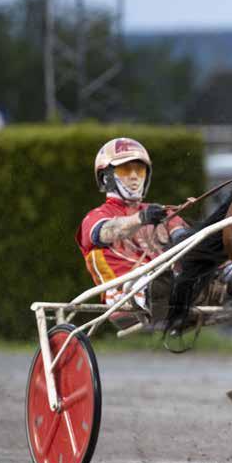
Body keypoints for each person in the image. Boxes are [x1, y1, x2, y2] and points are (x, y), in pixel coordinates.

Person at [75, 137, 188, 327]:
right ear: (106, 177)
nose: (135, 176)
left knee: (213, 266)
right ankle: (164, 290)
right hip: (122, 296)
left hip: (167, 285)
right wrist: (141, 219)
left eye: (140, 170)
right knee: (159, 281)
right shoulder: (95, 216)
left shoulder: (160, 212)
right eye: (126, 170)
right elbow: (107, 232)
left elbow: (183, 236)